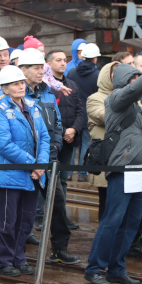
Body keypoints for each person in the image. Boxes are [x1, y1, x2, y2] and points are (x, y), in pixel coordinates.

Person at [84, 62, 142, 284]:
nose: (137, 82)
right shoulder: (116, 99)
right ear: (123, 80)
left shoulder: (139, 108)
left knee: (130, 224)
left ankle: (117, 268)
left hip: (139, 170)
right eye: (134, 77)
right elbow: (133, 90)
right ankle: (94, 268)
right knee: (112, 221)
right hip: (123, 169)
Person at [16, 49, 80, 263]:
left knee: (58, 205)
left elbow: (57, 123)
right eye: (35, 68)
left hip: (49, 157)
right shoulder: (17, 94)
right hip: (24, 160)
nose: (40, 71)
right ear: (22, 70)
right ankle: (17, 253)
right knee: (23, 207)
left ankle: (60, 249)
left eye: (41, 67)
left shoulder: (48, 93)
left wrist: (55, 145)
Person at [0, 65, 50, 276]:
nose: (20, 86)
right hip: (11, 174)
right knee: (7, 221)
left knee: (26, 220)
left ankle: (18, 257)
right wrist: (33, 163)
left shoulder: (33, 106)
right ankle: (3, 261)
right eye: (15, 84)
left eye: (21, 82)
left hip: (33, 173)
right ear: (5, 89)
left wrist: (41, 163)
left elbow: (44, 137)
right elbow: (4, 145)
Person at [47, 49, 85, 198]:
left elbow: (80, 111)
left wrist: (74, 129)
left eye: (64, 60)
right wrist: (63, 131)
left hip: (69, 139)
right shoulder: (46, 87)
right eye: (58, 60)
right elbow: (48, 115)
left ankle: (60, 216)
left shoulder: (72, 84)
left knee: (63, 179)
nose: (63, 63)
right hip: (53, 139)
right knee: (50, 178)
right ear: (49, 64)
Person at [86, 59, 119, 219]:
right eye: (115, 73)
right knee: (107, 205)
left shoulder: (133, 97)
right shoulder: (95, 98)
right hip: (105, 158)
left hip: (126, 156)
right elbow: (104, 117)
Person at [67, 43, 100, 183]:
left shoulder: (72, 72)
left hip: (73, 112)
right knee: (86, 142)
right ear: (95, 58)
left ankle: (67, 171)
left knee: (71, 142)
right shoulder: (97, 75)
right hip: (89, 113)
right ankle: (82, 172)